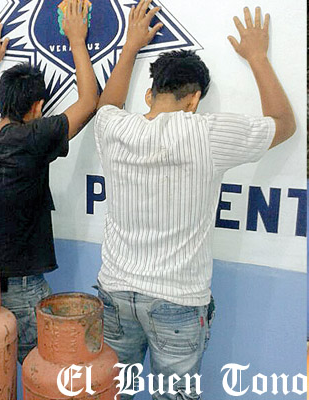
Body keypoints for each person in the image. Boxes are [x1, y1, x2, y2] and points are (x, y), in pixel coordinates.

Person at [93, 1, 295, 399]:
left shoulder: (112, 129)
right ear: (194, 98)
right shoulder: (207, 135)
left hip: (115, 292)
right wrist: (257, 57)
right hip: (178, 302)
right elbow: (284, 125)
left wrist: (130, 47)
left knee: (113, 393)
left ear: (150, 93)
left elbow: (107, 104)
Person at [0, 0, 98, 363]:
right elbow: (89, 101)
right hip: (23, 290)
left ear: (2, 101)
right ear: (38, 107)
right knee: (44, 377)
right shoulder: (35, 137)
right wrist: (76, 40)